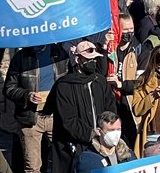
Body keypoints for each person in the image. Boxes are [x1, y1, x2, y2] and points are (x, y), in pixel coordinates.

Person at [45, 39, 118, 173]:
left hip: (102, 142)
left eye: (95, 59)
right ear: (78, 59)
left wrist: (107, 130)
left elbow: (111, 109)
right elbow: (68, 120)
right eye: (88, 59)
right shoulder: (64, 86)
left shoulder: (100, 81)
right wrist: (91, 134)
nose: (93, 62)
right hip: (73, 146)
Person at [3, 43, 70, 173]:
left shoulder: (59, 54)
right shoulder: (20, 57)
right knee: (32, 167)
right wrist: (27, 95)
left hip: (55, 116)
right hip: (31, 118)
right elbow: (9, 88)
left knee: (64, 158)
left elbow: (69, 80)